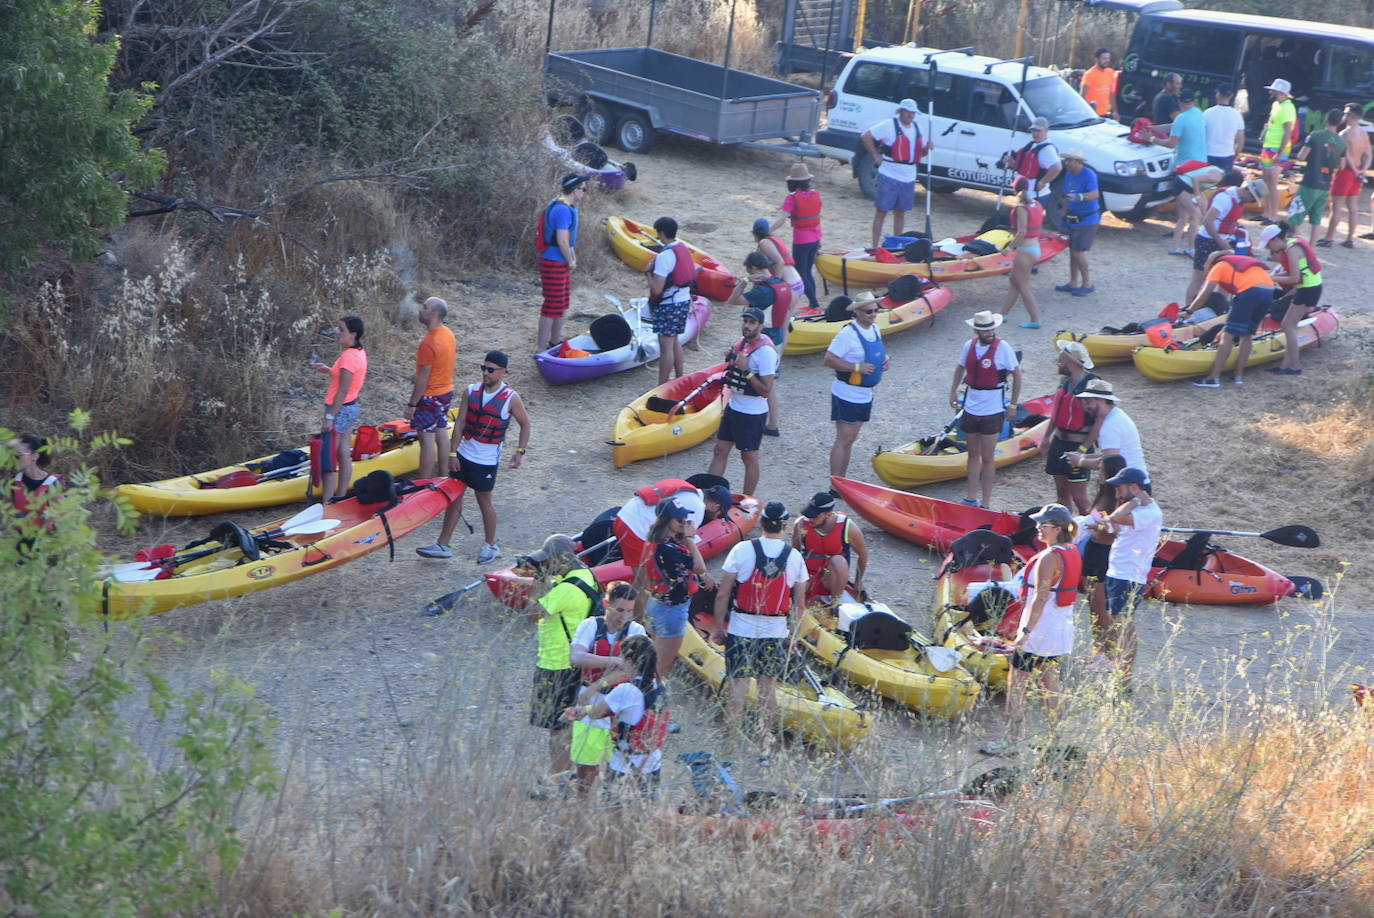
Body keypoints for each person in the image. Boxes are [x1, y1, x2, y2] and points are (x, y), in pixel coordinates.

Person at [982, 504, 1081, 755]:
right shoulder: (1071, 550)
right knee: (1050, 682)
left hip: (1040, 630)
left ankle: (1011, 741)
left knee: (1017, 682)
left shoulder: (1049, 557)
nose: (1038, 528)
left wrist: (1024, 632)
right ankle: (1055, 740)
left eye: (1043, 525)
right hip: (1059, 629)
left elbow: (1040, 597)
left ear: (1057, 529)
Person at [712, 501, 808, 760]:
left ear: (761, 523)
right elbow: (799, 605)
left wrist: (718, 627)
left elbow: (722, 595)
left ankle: (729, 752)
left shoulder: (742, 550)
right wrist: (794, 637)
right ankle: (765, 750)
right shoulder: (795, 558)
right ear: (785, 526)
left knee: (738, 691)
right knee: (768, 690)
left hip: (742, 629)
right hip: (775, 631)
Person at [416, 350, 530, 563]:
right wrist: (452, 453)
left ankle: (490, 545)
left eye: (490, 370)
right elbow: (460, 423)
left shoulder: (511, 398)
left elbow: (525, 424)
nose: (485, 373)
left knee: (484, 502)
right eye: (483, 368)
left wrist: (519, 452)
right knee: (454, 497)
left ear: (503, 372)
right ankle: (443, 544)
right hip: (463, 455)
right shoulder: (470, 391)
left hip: (486, 460)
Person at [526, 534, 601, 795]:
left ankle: (557, 780)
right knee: (568, 723)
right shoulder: (586, 576)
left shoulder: (564, 590)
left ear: (558, 558)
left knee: (557, 728)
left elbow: (532, 612)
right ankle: (565, 776)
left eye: (549, 560)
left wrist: (539, 580)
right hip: (574, 664)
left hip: (556, 664)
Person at [565, 581, 648, 796]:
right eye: (619, 610)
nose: (624, 617)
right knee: (586, 765)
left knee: (619, 767)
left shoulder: (636, 630)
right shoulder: (591, 625)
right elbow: (576, 657)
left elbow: (634, 669)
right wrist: (614, 660)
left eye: (629, 611)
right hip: (589, 700)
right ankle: (581, 807)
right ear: (606, 604)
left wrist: (598, 683)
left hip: (619, 703)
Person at [564, 635, 669, 795]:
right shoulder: (660, 686)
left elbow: (596, 712)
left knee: (614, 815)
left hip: (624, 765)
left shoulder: (626, 690)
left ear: (629, 661)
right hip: (652, 763)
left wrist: (581, 711)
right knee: (644, 812)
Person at [631, 500, 715, 681]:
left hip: (656, 604)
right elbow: (698, 566)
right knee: (660, 666)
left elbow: (681, 570)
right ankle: (649, 698)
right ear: (667, 520)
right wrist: (691, 539)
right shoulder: (669, 549)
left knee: (653, 657)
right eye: (679, 519)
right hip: (671, 611)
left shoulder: (656, 542)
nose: (684, 522)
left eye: (685, 518)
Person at [949, 311, 1022, 509]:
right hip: (971, 406)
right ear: (976, 331)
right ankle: (971, 497)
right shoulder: (969, 346)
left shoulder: (1003, 348)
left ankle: (986, 502)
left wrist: (1013, 405)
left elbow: (1017, 375)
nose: (990, 332)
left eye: (991, 328)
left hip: (993, 409)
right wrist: (953, 392)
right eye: (985, 330)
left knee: (988, 457)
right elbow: (960, 368)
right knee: (973, 453)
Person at [1096, 466, 1162, 683]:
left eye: (1120, 489)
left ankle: (1123, 679)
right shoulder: (1135, 510)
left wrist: (1134, 500)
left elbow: (1117, 516)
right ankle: (1119, 671)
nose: (1117, 494)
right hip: (1118, 572)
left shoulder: (1149, 512)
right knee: (1116, 622)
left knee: (1123, 625)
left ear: (1134, 487)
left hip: (1129, 576)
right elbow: (1117, 526)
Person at [708, 308, 777, 497]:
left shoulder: (766, 353)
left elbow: (765, 390)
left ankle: (747, 500)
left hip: (752, 413)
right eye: (745, 321)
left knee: (749, 457)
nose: (747, 325)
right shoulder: (742, 344)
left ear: (761, 326)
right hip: (734, 406)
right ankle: (710, 494)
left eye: (752, 322)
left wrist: (747, 371)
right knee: (720, 450)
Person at [1182, 252, 1278, 387]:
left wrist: (1189, 311)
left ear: (1211, 262)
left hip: (1249, 292)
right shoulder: (1237, 263)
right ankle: (1238, 376)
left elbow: (1204, 295)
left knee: (1227, 335)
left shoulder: (1219, 266)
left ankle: (1213, 378)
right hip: (1268, 292)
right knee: (1247, 335)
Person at [821, 296, 889, 477]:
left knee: (851, 439)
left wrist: (886, 361)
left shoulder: (875, 329)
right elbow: (828, 359)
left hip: (865, 394)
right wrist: (856, 368)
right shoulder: (847, 334)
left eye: (876, 310)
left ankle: (842, 480)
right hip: (847, 393)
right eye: (869, 311)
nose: (873, 314)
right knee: (843, 439)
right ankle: (835, 483)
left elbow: (879, 353)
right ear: (857, 312)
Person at [726, 252, 792, 434]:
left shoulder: (763, 291)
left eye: (748, 270)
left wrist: (745, 280)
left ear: (753, 269)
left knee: (766, 386)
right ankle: (773, 423)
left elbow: (732, 300)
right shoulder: (780, 282)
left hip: (762, 344)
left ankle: (772, 424)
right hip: (777, 338)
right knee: (771, 384)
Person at [1184, 171, 1267, 305]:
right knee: (1199, 278)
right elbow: (1207, 221)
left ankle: (1220, 307)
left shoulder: (1238, 199)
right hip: (1207, 240)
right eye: (1252, 199)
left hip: (1224, 240)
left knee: (1225, 278)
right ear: (1248, 192)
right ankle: (1188, 309)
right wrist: (1221, 243)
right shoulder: (1225, 198)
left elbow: (1227, 219)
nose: (1250, 202)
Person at [308, 315, 367, 502]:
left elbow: (343, 390)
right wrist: (329, 370)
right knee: (342, 451)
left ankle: (327, 502)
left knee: (329, 456)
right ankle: (340, 494)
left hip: (339, 410)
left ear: (353, 334)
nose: (337, 332)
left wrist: (330, 417)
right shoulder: (357, 352)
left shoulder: (349, 357)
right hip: (351, 407)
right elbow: (344, 379)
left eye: (341, 329)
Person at [860, 98, 930, 248]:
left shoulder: (918, 128)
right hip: (889, 174)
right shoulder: (889, 125)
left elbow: (919, 153)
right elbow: (866, 136)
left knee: (900, 213)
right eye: (907, 112)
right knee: (882, 211)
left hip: (909, 176)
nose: (910, 115)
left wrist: (926, 149)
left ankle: (896, 245)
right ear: (901, 112)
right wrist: (875, 155)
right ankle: (874, 246)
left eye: (913, 112)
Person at [1149, 89, 1210, 257]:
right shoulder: (1198, 114)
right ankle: (1189, 248)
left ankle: (1177, 247)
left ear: (1180, 103)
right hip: (1196, 169)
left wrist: (1151, 138)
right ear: (1193, 102)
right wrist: (1154, 129)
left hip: (1185, 172)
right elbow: (1173, 129)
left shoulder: (1181, 118)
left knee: (1186, 215)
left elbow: (1171, 142)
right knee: (1194, 214)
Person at [1082, 454, 1128, 670]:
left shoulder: (1119, 501)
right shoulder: (1102, 495)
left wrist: (1096, 527)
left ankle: (1111, 655)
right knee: (1092, 606)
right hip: (1092, 549)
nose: (1098, 474)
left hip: (1105, 553)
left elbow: (1118, 530)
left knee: (1101, 608)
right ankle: (1098, 651)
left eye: (1101, 471)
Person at [1044, 340, 1101, 514]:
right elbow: (1056, 413)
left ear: (1071, 363)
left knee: (1079, 497)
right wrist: (1046, 438)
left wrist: (1083, 449)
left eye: (1061, 360)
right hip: (1059, 442)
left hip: (1079, 445)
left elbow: (1100, 420)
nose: (1058, 363)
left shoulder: (1093, 383)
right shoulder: (1064, 381)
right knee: (1061, 494)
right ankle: (1065, 533)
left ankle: (1091, 532)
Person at [404, 297, 457, 478]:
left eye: (424, 307)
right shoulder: (448, 334)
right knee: (441, 434)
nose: (420, 310)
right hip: (446, 392)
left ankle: (423, 484)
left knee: (426, 442)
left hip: (429, 397)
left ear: (433, 314)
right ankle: (444, 475)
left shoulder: (428, 343)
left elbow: (423, 378)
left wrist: (412, 405)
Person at [1260, 221, 1322, 375]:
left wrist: (1271, 278)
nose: (1269, 250)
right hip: (1307, 288)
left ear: (1275, 240)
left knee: (1289, 325)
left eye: (1269, 246)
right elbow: (1293, 276)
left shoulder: (1292, 250)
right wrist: (1271, 276)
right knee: (1288, 324)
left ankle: (1295, 366)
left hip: (1309, 290)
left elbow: (1294, 278)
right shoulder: (1292, 243)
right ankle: (1285, 366)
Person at [536, 173, 589, 351]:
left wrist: (571, 258)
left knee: (561, 303)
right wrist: (571, 261)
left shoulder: (565, 206)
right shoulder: (562, 210)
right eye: (583, 188)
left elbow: (568, 240)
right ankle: (541, 349)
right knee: (552, 304)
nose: (584, 192)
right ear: (575, 190)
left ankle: (554, 342)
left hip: (560, 261)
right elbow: (562, 240)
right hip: (554, 262)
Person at [792, 490, 868, 601]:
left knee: (839, 561)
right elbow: (794, 555)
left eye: (815, 516)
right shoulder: (801, 525)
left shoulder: (849, 527)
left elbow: (863, 554)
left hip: (832, 578)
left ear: (828, 514)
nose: (810, 519)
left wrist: (858, 581)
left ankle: (834, 603)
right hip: (809, 576)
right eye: (809, 515)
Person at [647, 216, 697, 385]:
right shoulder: (683, 248)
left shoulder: (665, 256)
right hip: (683, 301)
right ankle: (679, 378)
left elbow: (656, 289)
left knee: (666, 347)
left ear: (661, 232)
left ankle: (661, 386)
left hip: (669, 304)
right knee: (675, 341)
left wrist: (647, 273)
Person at [1064, 379, 1146, 473]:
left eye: (1088, 401)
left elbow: (1108, 463)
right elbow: (1109, 456)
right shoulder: (1117, 415)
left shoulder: (1110, 425)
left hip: (1129, 483)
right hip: (1133, 479)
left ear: (1101, 400)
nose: (1086, 407)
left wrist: (1080, 461)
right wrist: (1082, 456)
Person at [1293, 109, 1348, 246]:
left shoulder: (1315, 135)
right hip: (1325, 184)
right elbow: (1342, 165)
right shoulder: (1342, 143)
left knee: (1296, 216)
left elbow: (1301, 156)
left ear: (1326, 119)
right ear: (1341, 122)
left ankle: (1295, 245)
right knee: (1316, 220)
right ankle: (1311, 248)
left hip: (1309, 181)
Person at [773, 162, 823, 311]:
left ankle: (814, 304)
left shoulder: (792, 198)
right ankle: (813, 303)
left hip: (801, 241)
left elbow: (782, 219)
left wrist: (768, 230)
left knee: (802, 273)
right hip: (815, 238)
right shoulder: (815, 194)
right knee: (808, 272)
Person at [1323, 103, 1373, 249]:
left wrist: (1355, 170)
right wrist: (1362, 169)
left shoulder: (1344, 133)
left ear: (1351, 116)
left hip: (1346, 172)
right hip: (1358, 170)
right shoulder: (1363, 133)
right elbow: (1368, 154)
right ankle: (1349, 238)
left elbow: (1346, 156)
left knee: (1337, 206)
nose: (1344, 117)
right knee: (1353, 206)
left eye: (1346, 114)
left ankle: (1329, 237)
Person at [1002, 118, 1063, 230]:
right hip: (1027, 193)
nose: (1035, 133)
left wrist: (1043, 181)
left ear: (1046, 130)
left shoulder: (1047, 150)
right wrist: (1011, 162)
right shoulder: (1032, 145)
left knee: (1026, 226)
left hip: (1036, 195)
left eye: (1038, 131)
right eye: (1033, 130)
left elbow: (1057, 167)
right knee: (1020, 223)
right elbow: (1025, 167)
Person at [999, 178, 1044, 328]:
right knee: (1014, 282)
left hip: (1025, 251)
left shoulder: (1021, 209)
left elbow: (1022, 231)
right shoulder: (1037, 204)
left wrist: (1009, 248)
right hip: (1035, 247)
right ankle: (1003, 314)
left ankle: (1035, 319)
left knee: (1023, 286)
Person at [1054, 150, 1100, 296]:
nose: (1066, 163)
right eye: (1066, 160)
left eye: (1070, 160)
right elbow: (1066, 197)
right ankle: (1073, 282)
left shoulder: (1088, 175)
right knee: (1073, 252)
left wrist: (1079, 196)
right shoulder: (1068, 175)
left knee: (1077, 252)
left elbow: (1095, 195)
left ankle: (1087, 284)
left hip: (1087, 219)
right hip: (1073, 218)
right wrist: (1064, 218)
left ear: (1079, 162)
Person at [1259, 78, 1298, 223]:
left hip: (1278, 147)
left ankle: (1273, 215)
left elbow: (1288, 132)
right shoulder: (1276, 104)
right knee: (1266, 180)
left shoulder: (1288, 107)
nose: (1272, 92)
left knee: (1273, 182)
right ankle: (1266, 212)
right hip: (1269, 145)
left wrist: (1280, 152)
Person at [751, 217, 806, 317]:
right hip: (798, 284)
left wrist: (776, 286)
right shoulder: (773, 240)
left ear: (754, 233)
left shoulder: (764, 243)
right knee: (784, 320)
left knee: (777, 320)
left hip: (790, 287)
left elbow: (780, 262)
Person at [9, 435, 63, 534]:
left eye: (19, 455)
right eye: (13, 455)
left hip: (47, 544)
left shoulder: (52, 484)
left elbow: (63, 521)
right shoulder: (13, 483)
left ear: (34, 456)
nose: (15, 458)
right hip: (22, 545)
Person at [1203, 84, 1246, 173]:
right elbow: (1240, 141)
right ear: (1231, 96)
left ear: (1217, 94)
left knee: (1205, 183)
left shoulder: (1207, 113)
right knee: (1224, 184)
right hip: (1227, 155)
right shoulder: (1237, 115)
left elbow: (1200, 135)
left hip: (1208, 154)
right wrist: (1234, 156)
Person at [1079, 48, 1118, 120]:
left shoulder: (1111, 72)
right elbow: (1082, 96)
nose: (1107, 61)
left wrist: (1115, 111)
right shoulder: (1089, 74)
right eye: (1104, 58)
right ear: (1097, 59)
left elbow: (1112, 94)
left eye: (1108, 58)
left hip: (1106, 114)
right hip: (1092, 115)